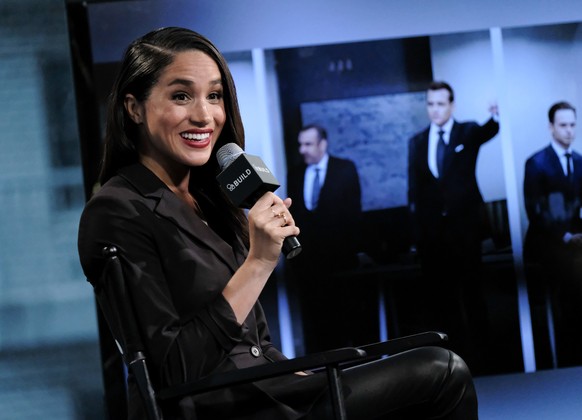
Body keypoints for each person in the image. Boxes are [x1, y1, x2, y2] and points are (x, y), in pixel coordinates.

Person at [77, 27, 478, 420]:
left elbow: (256, 343)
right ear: (134, 108)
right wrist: (258, 263)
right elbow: (171, 371)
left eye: (214, 96)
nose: (204, 115)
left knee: (430, 373)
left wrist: (303, 374)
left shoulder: (213, 197)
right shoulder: (116, 210)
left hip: (276, 393)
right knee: (441, 371)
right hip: (219, 408)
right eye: (181, 96)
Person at [407, 80, 499, 373]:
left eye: (441, 104)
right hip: (433, 238)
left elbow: (489, 130)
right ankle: (449, 368)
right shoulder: (417, 141)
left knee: (473, 296)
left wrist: (496, 115)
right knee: (441, 302)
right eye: (430, 104)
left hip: (466, 232)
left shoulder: (467, 131)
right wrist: (416, 236)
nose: (435, 110)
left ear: (452, 105)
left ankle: (484, 363)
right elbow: (415, 191)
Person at [285, 124, 368, 353]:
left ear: (323, 144)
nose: (302, 149)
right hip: (308, 265)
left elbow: (353, 216)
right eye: (300, 144)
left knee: (345, 319)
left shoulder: (345, 169)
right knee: (317, 324)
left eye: (308, 144)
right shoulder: (295, 173)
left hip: (341, 263)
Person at [523, 101, 582, 368]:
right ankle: (569, 359)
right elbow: (537, 211)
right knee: (568, 293)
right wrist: (566, 237)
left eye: (573, 125)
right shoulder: (536, 163)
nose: (569, 131)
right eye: (563, 125)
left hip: (574, 244)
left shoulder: (580, 161)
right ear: (551, 127)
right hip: (548, 246)